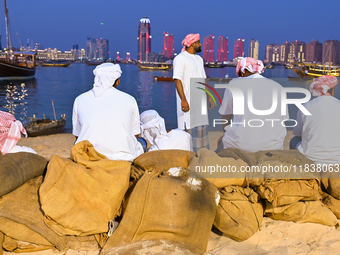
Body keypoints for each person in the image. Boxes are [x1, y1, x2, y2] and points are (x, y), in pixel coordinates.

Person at [72, 63, 143, 162]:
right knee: (141, 143)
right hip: (123, 159)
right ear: (117, 82)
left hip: (89, 156)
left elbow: (77, 135)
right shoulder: (130, 100)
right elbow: (135, 135)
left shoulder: (79, 100)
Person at [216, 57, 288, 153]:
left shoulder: (234, 84)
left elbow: (226, 115)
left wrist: (226, 134)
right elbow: (283, 121)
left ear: (242, 72)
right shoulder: (278, 87)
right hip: (274, 146)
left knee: (221, 142)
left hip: (239, 146)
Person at [172, 33, 213, 152]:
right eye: (199, 42)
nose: (200, 45)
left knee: (201, 134)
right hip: (188, 104)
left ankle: (201, 158)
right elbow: (177, 79)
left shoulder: (199, 59)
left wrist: (209, 96)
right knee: (188, 133)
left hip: (199, 104)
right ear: (193, 44)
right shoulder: (180, 58)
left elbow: (203, 79)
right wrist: (183, 100)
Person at [290, 75, 340, 165]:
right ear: (332, 91)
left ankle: (297, 167)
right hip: (337, 159)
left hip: (312, 159)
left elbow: (297, 134)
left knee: (293, 141)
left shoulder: (305, 106)